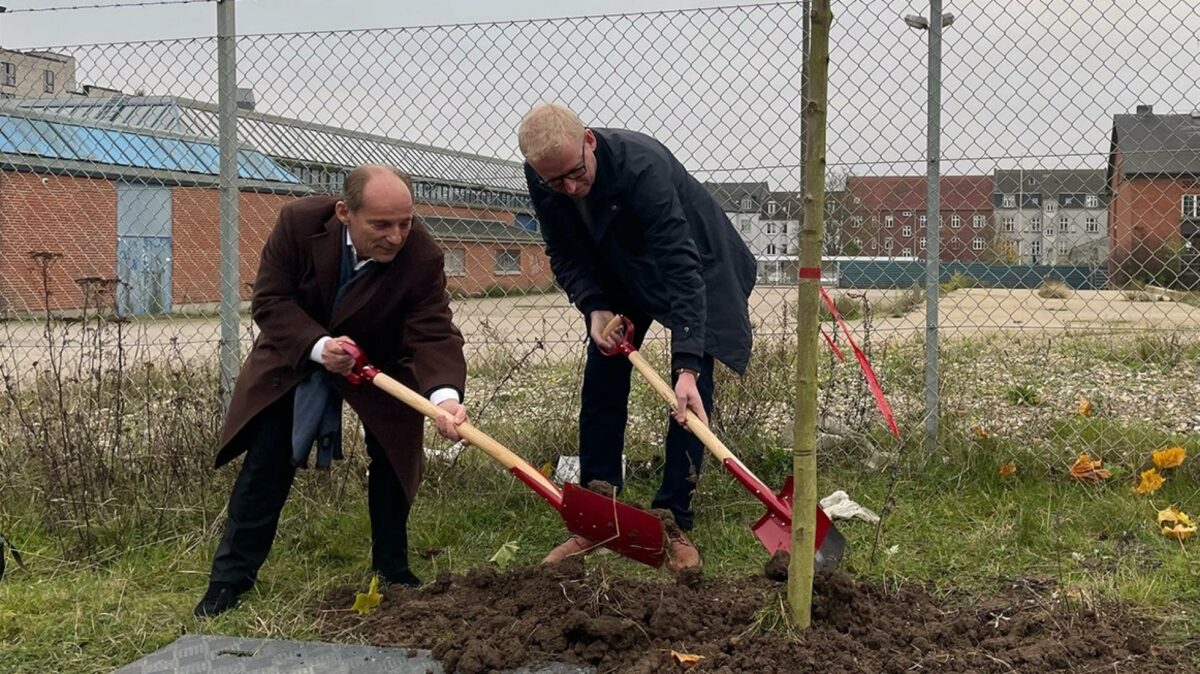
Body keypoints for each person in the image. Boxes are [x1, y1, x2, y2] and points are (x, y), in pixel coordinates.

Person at [193, 165, 469, 617]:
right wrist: (321, 348)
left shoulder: (421, 254)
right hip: (298, 352)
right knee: (266, 462)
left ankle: (393, 571)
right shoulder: (298, 224)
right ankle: (229, 581)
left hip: (383, 360)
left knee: (396, 457)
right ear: (344, 212)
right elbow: (270, 301)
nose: (397, 236)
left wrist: (444, 399)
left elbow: (434, 331)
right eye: (381, 225)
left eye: (405, 222)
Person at [517, 103, 756, 572]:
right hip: (621, 268)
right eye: (554, 182)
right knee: (602, 376)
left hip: (698, 265)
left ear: (588, 140)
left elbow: (680, 266)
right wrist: (594, 305)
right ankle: (596, 514)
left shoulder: (641, 166)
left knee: (689, 396)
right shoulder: (544, 172)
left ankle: (672, 517)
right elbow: (563, 249)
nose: (567, 188)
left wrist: (687, 365)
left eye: (574, 174)